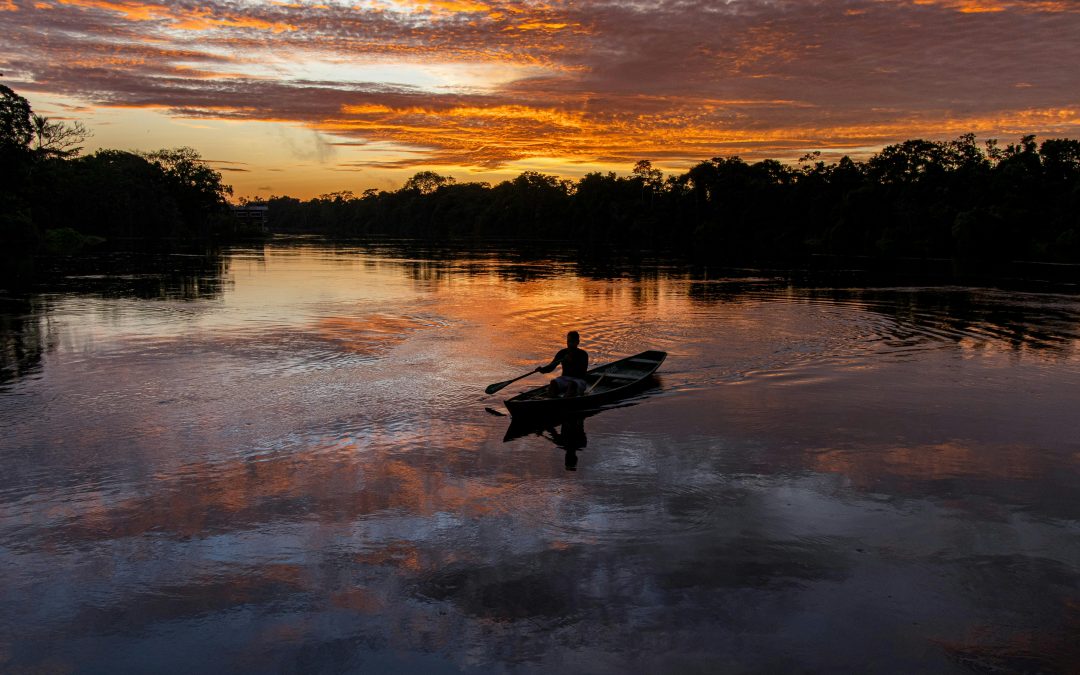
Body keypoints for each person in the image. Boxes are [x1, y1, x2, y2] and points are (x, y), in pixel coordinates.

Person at [536, 330, 589, 397]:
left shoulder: (583, 354)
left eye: (572, 342)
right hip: (564, 378)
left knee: (572, 385)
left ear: (577, 342)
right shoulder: (562, 353)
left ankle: (565, 400)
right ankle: (550, 400)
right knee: (553, 383)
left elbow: (582, 371)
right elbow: (551, 367)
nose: (570, 344)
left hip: (579, 380)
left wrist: (572, 361)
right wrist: (542, 370)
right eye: (568, 341)